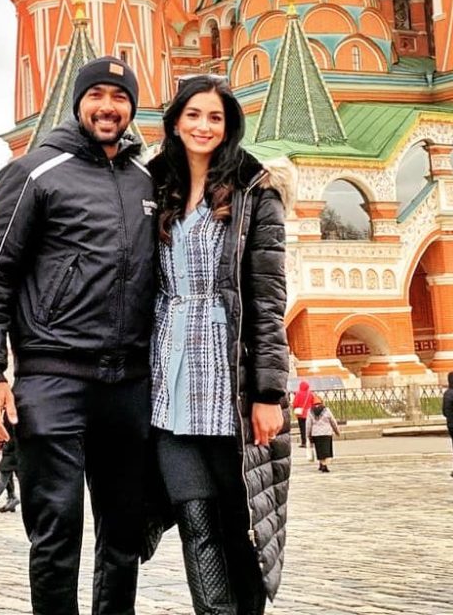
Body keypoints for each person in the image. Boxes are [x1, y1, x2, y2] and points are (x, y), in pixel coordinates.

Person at [0, 56, 158, 615]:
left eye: (119, 97)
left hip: (127, 384)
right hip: (54, 380)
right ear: (79, 102)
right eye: (97, 95)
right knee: (56, 532)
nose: (108, 107)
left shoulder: (145, 180)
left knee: (123, 535)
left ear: (131, 108)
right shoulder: (35, 172)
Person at [148, 74, 290, 615]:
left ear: (228, 127)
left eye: (215, 118)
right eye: (193, 115)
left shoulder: (256, 192)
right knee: (194, 520)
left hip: (230, 384)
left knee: (237, 526)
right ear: (175, 122)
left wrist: (269, 392)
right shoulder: (154, 188)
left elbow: (268, 297)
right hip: (169, 384)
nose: (203, 126)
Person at [306, 396, 341, 474]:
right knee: (327, 450)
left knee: (320, 450)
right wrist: (337, 431)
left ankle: (322, 464)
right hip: (326, 433)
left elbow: (308, 424)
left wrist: (308, 435)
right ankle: (324, 465)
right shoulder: (326, 410)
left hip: (316, 434)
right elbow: (333, 421)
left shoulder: (310, 411)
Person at [291, 379, 316, 449]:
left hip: (301, 414)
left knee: (302, 428)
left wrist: (294, 408)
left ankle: (304, 442)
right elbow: (313, 402)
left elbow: (295, 404)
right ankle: (311, 442)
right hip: (309, 414)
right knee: (310, 428)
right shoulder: (310, 394)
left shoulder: (298, 393)